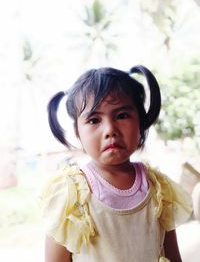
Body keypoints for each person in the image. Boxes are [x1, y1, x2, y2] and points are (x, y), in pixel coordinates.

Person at [41, 65, 192, 262]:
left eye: (122, 116)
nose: (110, 129)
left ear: (141, 122)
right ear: (78, 132)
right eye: (94, 120)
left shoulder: (158, 188)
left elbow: (172, 255)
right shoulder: (69, 195)